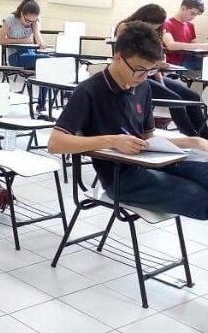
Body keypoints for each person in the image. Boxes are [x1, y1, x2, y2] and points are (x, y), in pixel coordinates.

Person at [48, 21, 208, 219]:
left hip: (150, 162)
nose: (143, 77)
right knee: (201, 199)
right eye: (139, 70)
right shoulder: (89, 91)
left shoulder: (143, 86)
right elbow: (55, 144)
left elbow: (148, 139)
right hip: (121, 177)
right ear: (117, 58)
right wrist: (112, 140)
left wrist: (193, 141)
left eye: (150, 71)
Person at [115, 4, 208, 139]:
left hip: (152, 72)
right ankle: (191, 136)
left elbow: (156, 58)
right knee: (175, 99)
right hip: (137, 74)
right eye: (153, 25)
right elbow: (132, 57)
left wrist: (161, 78)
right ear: (144, 19)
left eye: (157, 26)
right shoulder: (126, 27)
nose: (155, 28)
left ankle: (204, 134)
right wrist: (155, 65)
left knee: (192, 96)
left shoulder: (154, 31)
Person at [0, 0, 49, 111]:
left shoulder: (33, 23)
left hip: (29, 53)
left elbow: (42, 45)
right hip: (16, 56)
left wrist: (36, 29)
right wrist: (21, 41)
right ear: (21, 13)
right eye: (27, 20)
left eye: (32, 21)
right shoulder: (11, 19)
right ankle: (41, 104)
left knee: (48, 64)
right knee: (46, 61)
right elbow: (0, 40)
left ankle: (42, 104)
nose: (29, 23)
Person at [163, 0, 206, 72]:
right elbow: (171, 45)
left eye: (195, 15)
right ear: (183, 8)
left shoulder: (190, 26)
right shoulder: (166, 23)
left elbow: (195, 48)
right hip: (173, 64)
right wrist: (204, 46)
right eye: (192, 13)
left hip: (189, 62)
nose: (193, 17)